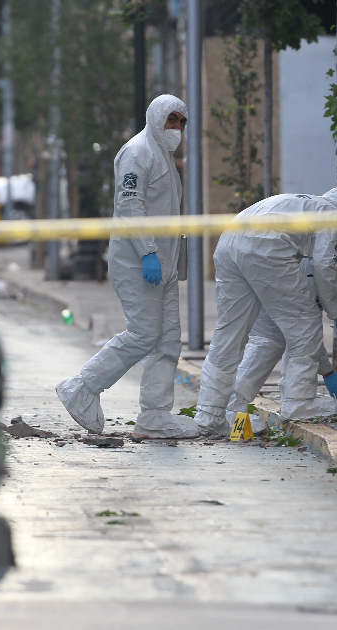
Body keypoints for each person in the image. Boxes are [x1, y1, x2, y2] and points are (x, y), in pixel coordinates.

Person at [56, 95, 198, 439]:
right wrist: (148, 252)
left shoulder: (162, 155)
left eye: (181, 121)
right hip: (138, 262)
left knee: (167, 340)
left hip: (161, 262)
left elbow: (166, 211)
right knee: (143, 334)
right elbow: (130, 206)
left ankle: (155, 415)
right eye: (171, 120)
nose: (176, 128)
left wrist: (174, 256)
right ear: (155, 119)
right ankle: (82, 388)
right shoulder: (137, 152)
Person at [193, 187, 337, 436]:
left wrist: (327, 370)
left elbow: (295, 330)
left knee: (234, 335)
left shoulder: (303, 212)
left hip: (230, 242)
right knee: (300, 328)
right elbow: (322, 269)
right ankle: (299, 402)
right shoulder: (330, 216)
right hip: (266, 248)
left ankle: (211, 414)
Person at [225, 236, 337, 426]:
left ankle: (230, 408)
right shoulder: (319, 267)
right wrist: (328, 372)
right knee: (284, 341)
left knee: (268, 343)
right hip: (273, 281)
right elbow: (308, 335)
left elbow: (304, 333)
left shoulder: (329, 251)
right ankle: (298, 402)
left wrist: (328, 372)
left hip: (262, 278)